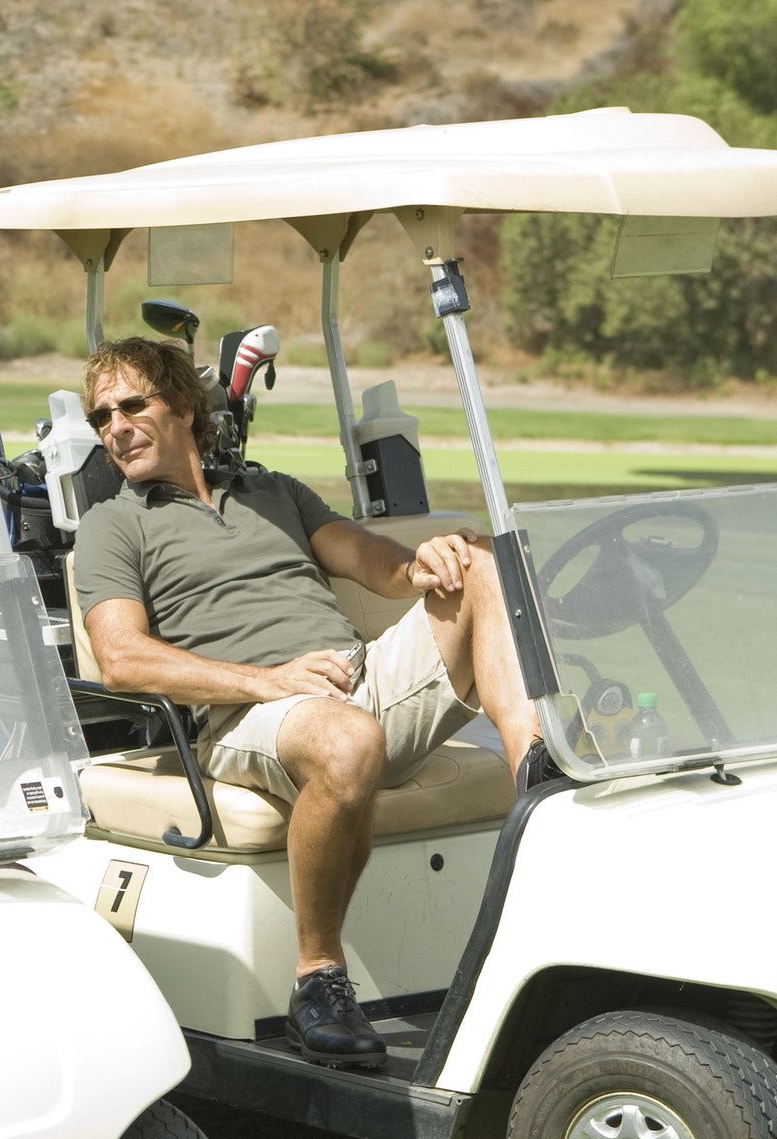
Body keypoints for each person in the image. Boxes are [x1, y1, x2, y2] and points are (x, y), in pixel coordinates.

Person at [71, 336, 537, 1068]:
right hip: (244, 714)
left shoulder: (274, 491)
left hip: (352, 679)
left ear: (185, 408)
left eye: (133, 405)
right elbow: (123, 659)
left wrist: (428, 562)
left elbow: (371, 560)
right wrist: (270, 680)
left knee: (482, 560)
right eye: (103, 417)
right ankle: (318, 977)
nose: (115, 427)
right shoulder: (114, 523)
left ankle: (537, 790)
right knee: (346, 741)